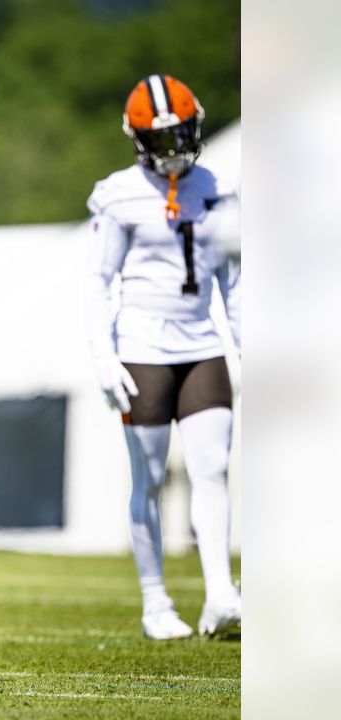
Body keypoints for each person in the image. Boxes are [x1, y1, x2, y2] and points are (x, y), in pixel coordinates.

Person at [85, 74, 242, 640]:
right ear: (137, 140)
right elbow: (99, 282)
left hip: (202, 345)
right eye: (161, 140)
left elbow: (235, 279)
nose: (173, 151)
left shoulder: (219, 187)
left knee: (213, 470)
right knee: (149, 478)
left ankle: (221, 593)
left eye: (180, 136)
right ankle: (156, 602)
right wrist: (104, 354)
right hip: (143, 350)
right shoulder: (118, 193)